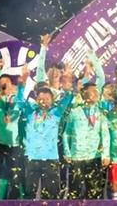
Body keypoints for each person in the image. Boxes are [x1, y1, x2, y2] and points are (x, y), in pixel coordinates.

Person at [16, 65, 74, 199]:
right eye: (41, 99)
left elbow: (68, 99)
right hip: (32, 159)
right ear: (37, 100)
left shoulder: (56, 113)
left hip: (51, 159)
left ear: (52, 100)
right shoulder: (30, 112)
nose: (44, 102)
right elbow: (19, 102)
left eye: (47, 99)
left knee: (52, 195)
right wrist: (21, 85)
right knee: (30, 194)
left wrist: (67, 84)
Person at [62, 81, 110, 199]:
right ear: (84, 94)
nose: (96, 93)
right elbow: (66, 133)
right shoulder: (74, 112)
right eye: (93, 91)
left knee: (94, 192)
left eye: (97, 91)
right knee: (75, 191)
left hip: (94, 156)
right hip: (77, 157)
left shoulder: (100, 112)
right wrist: (67, 152)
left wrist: (106, 154)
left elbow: (105, 134)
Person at [0, 59, 23, 199]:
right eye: (1, 84)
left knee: (15, 177)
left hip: (14, 145)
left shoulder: (17, 101)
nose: (4, 86)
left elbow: (17, 111)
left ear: (12, 86)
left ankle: (13, 201)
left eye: (7, 83)